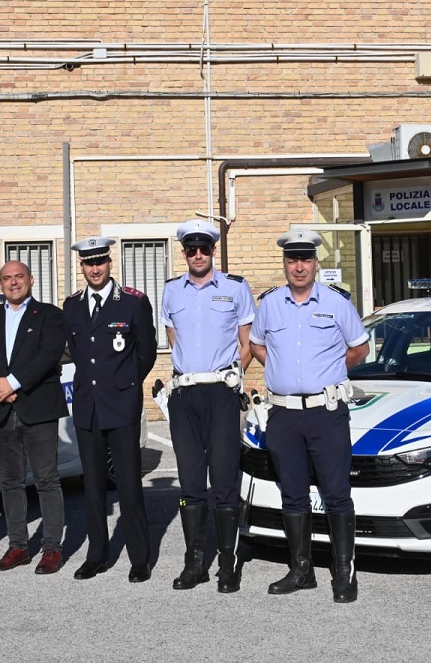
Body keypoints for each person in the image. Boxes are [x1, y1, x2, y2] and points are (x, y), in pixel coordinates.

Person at [249, 229, 370, 603]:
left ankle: (344, 572)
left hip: (326, 412)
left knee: (336, 494)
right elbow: (256, 344)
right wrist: (283, 373)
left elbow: (359, 348)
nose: (298, 267)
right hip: (284, 415)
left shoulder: (336, 303)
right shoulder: (269, 305)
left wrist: (327, 373)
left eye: (305, 259)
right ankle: (301, 570)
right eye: (291, 260)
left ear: (317, 263)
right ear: (284, 264)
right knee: (293, 494)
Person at [160, 219, 255, 593]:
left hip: (221, 393)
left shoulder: (235, 287)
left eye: (204, 249)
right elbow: (173, 339)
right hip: (185, 396)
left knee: (224, 480)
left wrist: (233, 377)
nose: (198, 255)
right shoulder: (171, 291)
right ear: (183, 252)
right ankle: (195, 561)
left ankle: (227, 565)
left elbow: (247, 342)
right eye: (190, 249)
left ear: (213, 250)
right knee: (191, 481)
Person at [63, 237, 157, 584]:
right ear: (82, 267)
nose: (95, 268)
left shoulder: (132, 302)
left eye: (100, 261)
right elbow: (77, 352)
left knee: (130, 486)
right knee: (92, 487)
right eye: (88, 263)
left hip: (121, 406)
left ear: (109, 263)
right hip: (88, 409)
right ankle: (97, 555)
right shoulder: (72, 305)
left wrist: (123, 386)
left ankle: (139, 559)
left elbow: (145, 354)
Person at [0, 260, 68, 575]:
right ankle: (18, 546)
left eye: (19, 276)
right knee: (10, 482)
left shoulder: (50, 314)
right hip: (1, 409)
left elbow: (48, 355)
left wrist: (12, 383)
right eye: (7, 278)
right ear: (0, 284)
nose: (13, 282)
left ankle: (52, 548)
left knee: (47, 480)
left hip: (37, 407)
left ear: (31, 279)